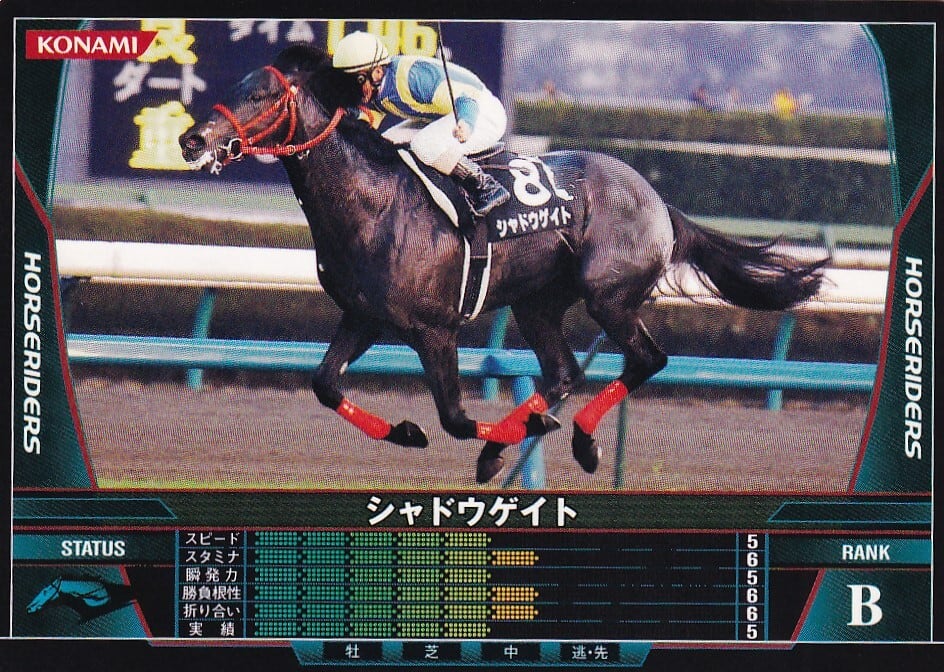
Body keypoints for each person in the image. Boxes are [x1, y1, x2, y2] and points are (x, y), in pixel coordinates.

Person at [332, 31, 510, 217]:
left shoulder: (413, 79)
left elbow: (466, 100)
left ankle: (486, 186)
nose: (351, 88)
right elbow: (371, 121)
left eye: (357, 80)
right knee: (387, 141)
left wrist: (466, 124)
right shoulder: (378, 88)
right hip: (445, 115)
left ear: (377, 72)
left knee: (424, 145)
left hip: (480, 112)